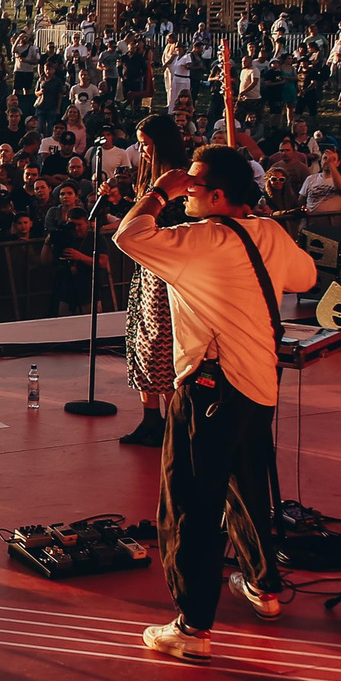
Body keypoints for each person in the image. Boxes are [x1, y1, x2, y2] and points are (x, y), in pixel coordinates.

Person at [112, 144, 319, 662]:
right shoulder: (268, 232)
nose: (186, 191)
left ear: (219, 196)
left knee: (190, 502)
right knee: (247, 488)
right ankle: (263, 587)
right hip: (258, 383)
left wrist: (158, 191)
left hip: (210, 384)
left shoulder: (200, 240)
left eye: (194, 185)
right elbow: (306, 277)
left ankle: (193, 626)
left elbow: (128, 236)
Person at [120, 113, 193, 450]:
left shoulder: (179, 178)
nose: (143, 151)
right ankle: (150, 417)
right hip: (145, 272)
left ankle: (174, 421)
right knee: (141, 342)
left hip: (167, 274)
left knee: (162, 346)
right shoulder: (148, 178)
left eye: (147, 144)